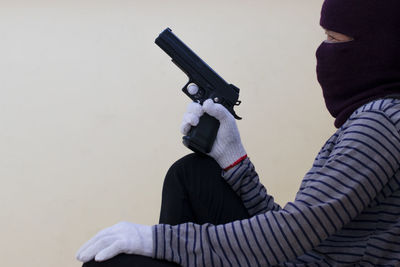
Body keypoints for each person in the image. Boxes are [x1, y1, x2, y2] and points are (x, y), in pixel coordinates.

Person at [76, 0, 400, 266]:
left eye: (333, 39)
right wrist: (234, 161)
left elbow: (292, 234)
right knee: (193, 174)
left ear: (378, 48)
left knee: (109, 261)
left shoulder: (380, 123)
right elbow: (300, 230)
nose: (322, 50)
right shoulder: (375, 119)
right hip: (304, 254)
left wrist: (155, 240)